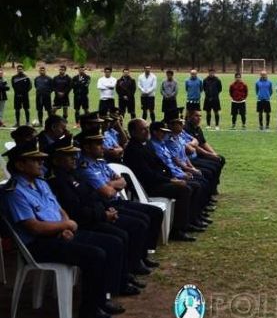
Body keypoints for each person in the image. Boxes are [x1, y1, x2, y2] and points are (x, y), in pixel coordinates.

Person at [1, 140, 126, 318]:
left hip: (60, 233)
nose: (41, 163)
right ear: (20, 165)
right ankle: (89, 310)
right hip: (39, 244)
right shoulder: (15, 192)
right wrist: (64, 227)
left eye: (41, 160)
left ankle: (102, 299)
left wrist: (65, 224)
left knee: (112, 242)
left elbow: (59, 208)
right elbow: (34, 227)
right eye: (35, 160)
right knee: (95, 255)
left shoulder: (40, 182)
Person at [44, 134, 147, 296]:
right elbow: (76, 209)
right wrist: (103, 214)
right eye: (68, 156)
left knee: (124, 233)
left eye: (73, 154)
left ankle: (122, 278)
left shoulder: (73, 175)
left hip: (95, 215)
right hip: (84, 222)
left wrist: (107, 210)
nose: (73, 158)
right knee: (117, 239)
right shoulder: (57, 181)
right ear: (56, 161)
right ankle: (115, 285)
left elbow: (93, 196)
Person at [75, 128, 163, 270]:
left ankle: (143, 254)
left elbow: (123, 182)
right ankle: (134, 263)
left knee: (155, 212)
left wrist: (110, 184)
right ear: (86, 147)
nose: (103, 147)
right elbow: (108, 193)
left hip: (116, 200)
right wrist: (111, 186)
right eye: (98, 144)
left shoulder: (100, 162)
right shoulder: (85, 168)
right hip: (107, 205)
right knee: (139, 223)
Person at [122, 119, 199, 241]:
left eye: (147, 128)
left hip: (158, 180)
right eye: (142, 129)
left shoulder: (146, 144)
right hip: (148, 186)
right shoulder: (133, 150)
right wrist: (171, 181)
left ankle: (189, 221)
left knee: (191, 185)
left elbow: (160, 164)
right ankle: (177, 230)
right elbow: (147, 174)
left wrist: (171, 177)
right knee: (184, 189)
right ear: (133, 132)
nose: (146, 132)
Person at [184, 108, 226, 190]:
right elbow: (196, 147)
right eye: (196, 116)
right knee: (212, 168)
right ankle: (211, 189)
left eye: (200, 116)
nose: (199, 118)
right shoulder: (186, 128)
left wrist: (214, 153)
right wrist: (208, 154)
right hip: (195, 156)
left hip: (200, 154)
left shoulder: (198, 128)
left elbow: (203, 143)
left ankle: (214, 186)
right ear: (189, 117)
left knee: (220, 159)